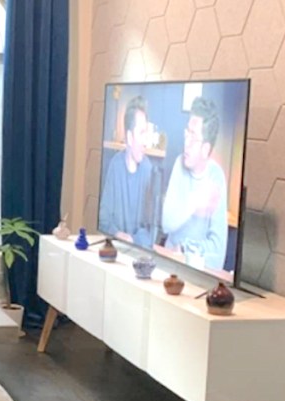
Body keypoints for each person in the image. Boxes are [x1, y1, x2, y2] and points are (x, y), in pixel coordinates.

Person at [159, 96, 229, 271]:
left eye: (193, 137)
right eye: (187, 133)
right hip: (169, 265)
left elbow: (218, 252)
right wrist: (194, 203)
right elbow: (166, 224)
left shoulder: (216, 176)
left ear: (205, 149)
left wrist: (185, 248)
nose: (186, 143)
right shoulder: (179, 164)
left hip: (197, 272)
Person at [98, 95, 155, 248]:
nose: (145, 141)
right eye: (142, 133)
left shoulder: (148, 170)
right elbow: (103, 219)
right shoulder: (115, 166)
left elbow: (151, 230)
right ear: (129, 137)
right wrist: (117, 234)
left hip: (139, 253)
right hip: (114, 248)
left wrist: (132, 240)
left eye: (146, 133)